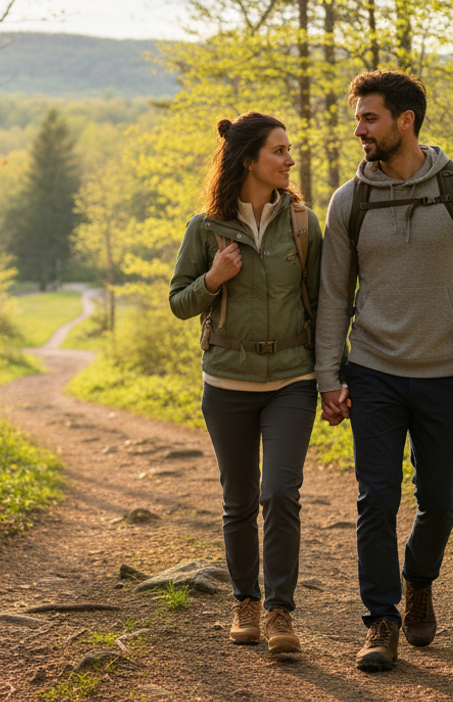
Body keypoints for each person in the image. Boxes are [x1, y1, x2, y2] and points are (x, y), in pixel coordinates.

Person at [313, 70, 453, 672]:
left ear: (406, 120)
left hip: (446, 372)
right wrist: (329, 376)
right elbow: (332, 296)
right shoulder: (350, 200)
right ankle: (381, 620)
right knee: (376, 499)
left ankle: (418, 578)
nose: (359, 130)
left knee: (441, 501)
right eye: (357, 118)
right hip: (371, 370)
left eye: (369, 118)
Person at [169, 112, 323, 655]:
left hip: (292, 380)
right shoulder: (205, 228)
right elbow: (179, 303)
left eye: (290, 150)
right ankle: (246, 602)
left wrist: (332, 377)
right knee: (239, 502)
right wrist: (213, 279)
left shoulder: (304, 225)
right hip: (227, 383)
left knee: (280, 494)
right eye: (279, 150)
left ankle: (281, 612)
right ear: (249, 160)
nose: (289, 159)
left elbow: (325, 307)